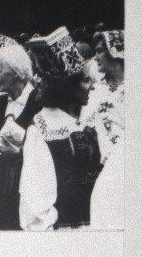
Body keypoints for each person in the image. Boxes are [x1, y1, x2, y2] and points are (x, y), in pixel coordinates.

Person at [20, 27, 102, 229]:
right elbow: (35, 202)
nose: (92, 86)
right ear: (67, 88)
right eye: (85, 80)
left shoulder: (91, 118)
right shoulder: (42, 129)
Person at [0, 43, 43, 229]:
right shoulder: (1, 101)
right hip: (0, 185)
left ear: (16, 71)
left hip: (24, 182)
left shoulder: (37, 99)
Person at [88, 30, 124, 229]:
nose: (96, 57)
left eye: (100, 51)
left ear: (115, 51)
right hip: (104, 171)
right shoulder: (96, 91)